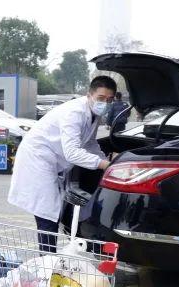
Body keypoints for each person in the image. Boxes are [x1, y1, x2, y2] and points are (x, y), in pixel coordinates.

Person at [8, 76, 116, 252]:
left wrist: (108, 162)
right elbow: (72, 152)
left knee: (51, 211)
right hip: (38, 159)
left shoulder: (94, 115)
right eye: (101, 98)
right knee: (47, 212)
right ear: (89, 95)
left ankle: (48, 260)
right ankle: (47, 262)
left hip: (52, 161)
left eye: (109, 100)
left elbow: (89, 144)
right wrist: (103, 165)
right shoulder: (75, 112)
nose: (105, 103)